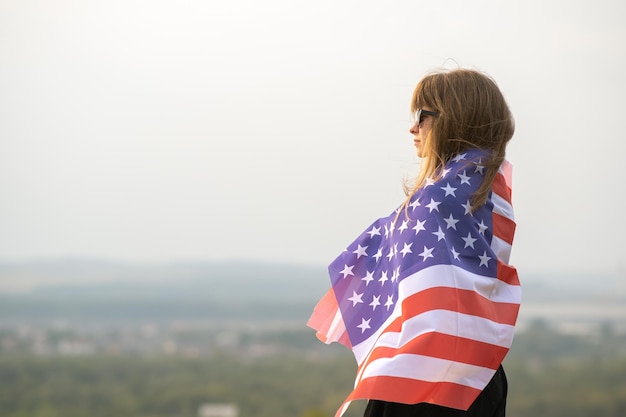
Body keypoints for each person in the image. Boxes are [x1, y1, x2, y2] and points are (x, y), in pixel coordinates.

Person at [308, 68, 520, 417]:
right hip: (480, 372)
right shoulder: (485, 192)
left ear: (454, 121)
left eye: (423, 115)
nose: (413, 127)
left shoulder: (436, 199)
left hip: (424, 372)